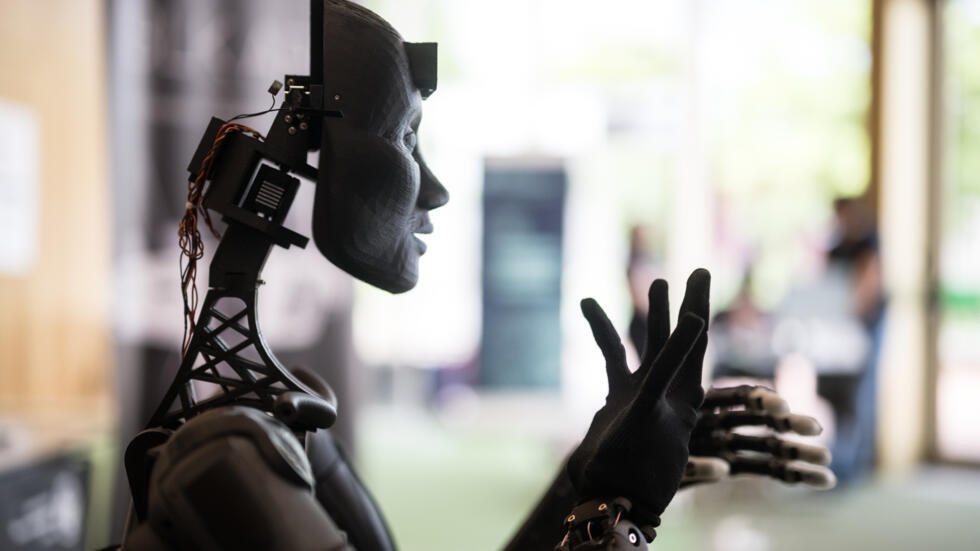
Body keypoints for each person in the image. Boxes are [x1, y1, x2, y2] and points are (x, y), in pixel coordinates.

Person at [118, 2, 833, 549]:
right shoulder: (225, 462)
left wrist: (586, 478)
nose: (435, 190)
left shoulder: (270, 426)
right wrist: (619, 511)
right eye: (404, 136)